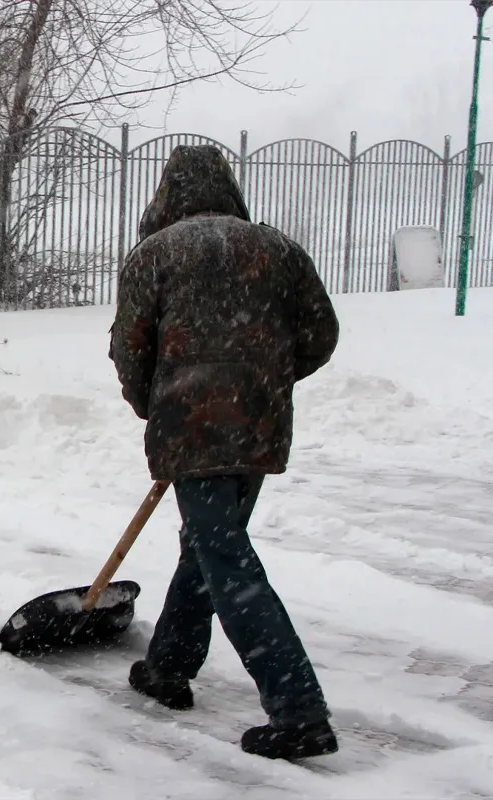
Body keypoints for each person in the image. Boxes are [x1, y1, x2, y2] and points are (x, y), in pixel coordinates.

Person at [108, 144, 341, 761]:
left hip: (191, 423)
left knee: (225, 555)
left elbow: (131, 349)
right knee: (211, 543)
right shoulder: (277, 249)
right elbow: (320, 333)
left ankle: (299, 713)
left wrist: (156, 401)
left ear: (167, 194)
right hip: (259, 423)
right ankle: (168, 668)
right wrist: (263, 378)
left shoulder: (154, 255)